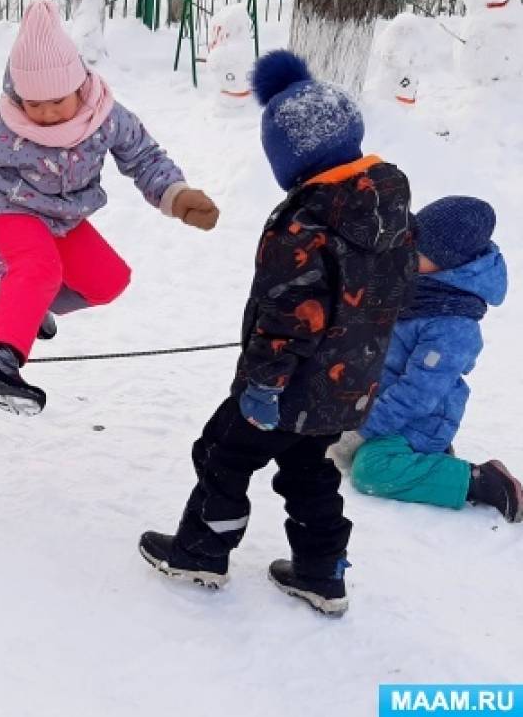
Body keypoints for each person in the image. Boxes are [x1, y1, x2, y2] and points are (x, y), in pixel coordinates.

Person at [138, 51, 417, 617]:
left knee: (223, 451)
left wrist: (264, 385)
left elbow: (290, 317)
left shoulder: (306, 222)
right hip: (348, 386)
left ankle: (201, 550)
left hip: (286, 386)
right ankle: (321, 573)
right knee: (308, 469)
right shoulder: (388, 207)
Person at [0, 0, 219, 415]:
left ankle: (20, 294)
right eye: (33, 103)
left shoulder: (107, 117)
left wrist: (177, 196)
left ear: (79, 84)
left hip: (64, 215)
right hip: (11, 208)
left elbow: (144, 158)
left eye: (57, 100)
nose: (44, 113)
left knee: (109, 281)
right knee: (38, 267)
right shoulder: (3, 129)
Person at [345, 196, 521, 522]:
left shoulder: (453, 326)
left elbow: (418, 395)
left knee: (370, 471)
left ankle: (483, 482)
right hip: (381, 402)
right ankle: (424, 461)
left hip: (419, 419)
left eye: (419, 252)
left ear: (448, 262)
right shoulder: (421, 287)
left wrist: (363, 432)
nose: (408, 255)